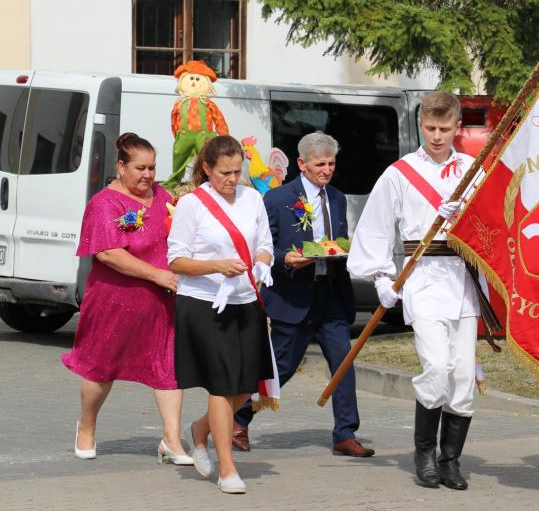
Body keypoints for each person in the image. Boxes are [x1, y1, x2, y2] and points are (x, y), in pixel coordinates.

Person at [347, 91, 480, 490]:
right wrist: (381, 278)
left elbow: (492, 226)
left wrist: (468, 216)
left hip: (463, 280)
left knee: (462, 375)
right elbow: (375, 226)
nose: (437, 136)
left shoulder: (472, 171)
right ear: (421, 125)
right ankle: (424, 454)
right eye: (430, 128)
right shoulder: (400, 173)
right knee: (437, 367)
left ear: (458, 128)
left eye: (444, 129)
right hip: (422, 279)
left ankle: (450, 460)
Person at [231, 131, 374, 458]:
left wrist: (348, 250)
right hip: (293, 296)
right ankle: (238, 417)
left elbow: (337, 240)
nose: (327, 170)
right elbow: (264, 246)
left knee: (343, 363)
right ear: (301, 164)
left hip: (331, 295)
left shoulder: (336, 197)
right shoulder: (278, 198)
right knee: (281, 367)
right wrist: (286, 259)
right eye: (320, 164)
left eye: (331, 164)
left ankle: (345, 433)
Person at [62, 132, 191, 466]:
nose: (148, 175)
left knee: (168, 368)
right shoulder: (104, 203)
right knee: (100, 369)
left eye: (152, 168)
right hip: (114, 303)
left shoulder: (163, 196)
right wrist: (157, 274)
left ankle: (172, 440)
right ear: (121, 166)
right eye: (140, 168)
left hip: (161, 303)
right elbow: (108, 253)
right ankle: (86, 426)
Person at [168, 135, 275, 494]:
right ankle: (227, 468)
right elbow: (176, 260)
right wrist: (217, 266)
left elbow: (264, 244)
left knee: (245, 386)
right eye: (224, 172)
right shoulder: (192, 204)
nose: (232, 179)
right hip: (204, 304)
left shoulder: (252, 198)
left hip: (245, 300)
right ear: (207, 169)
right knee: (222, 383)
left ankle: (200, 429)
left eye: (237, 171)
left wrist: (262, 264)